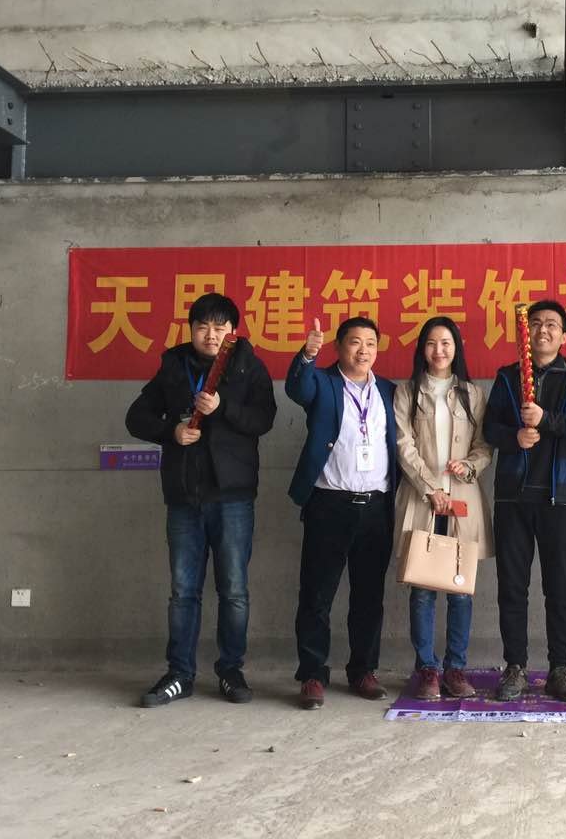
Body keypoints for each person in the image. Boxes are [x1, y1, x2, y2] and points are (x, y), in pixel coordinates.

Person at [125, 293, 277, 708]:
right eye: (202, 327)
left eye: (219, 327)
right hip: (184, 498)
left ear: (233, 331)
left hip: (233, 497)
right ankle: (180, 673)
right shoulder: (174, 366)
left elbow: (264, 419)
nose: (211, 335)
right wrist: (170, 432)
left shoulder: (248, 366)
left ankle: (230, 670)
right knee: (183, 591)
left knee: (234, 590)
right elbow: (135, 417)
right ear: (190, 329)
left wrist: (223, 408)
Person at [482, 299, 566, 703]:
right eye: (535, 323)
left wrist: (547, 419)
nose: (543, 330)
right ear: (525, 332)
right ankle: (515, 666)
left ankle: (559, 669)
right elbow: (489, 428)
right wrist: (514, 436)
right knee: (512, 586)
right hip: (512, 496)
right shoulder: (507, 376)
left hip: (558, 497)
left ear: (564, 336)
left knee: (559, 587)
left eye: (552, 324)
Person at [285, 316, 397, 710]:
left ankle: (363, 670)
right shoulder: (322, 382)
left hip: (376, 506)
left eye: (370, 343)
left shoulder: (388, 390)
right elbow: (297, 388)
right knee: (317, 595)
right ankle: (313, 674)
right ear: (339, 346)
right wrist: (307, 355)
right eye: (354, 342)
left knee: (369, 596)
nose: (363, 350)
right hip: (329, 504)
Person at [393, 317, 494, 700]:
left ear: (456, 348)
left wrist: (469, 465)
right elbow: (403, 445)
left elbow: (485, 445)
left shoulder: (472, 393)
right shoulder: (407, 392)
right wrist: (429, 487)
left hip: (462, 501)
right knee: (422, 589)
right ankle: (427, 669)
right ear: (422, 348)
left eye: (446, 343)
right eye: (432, 343)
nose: (439, 350)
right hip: (423, 501)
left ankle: (455, 668)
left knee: (460, 590)